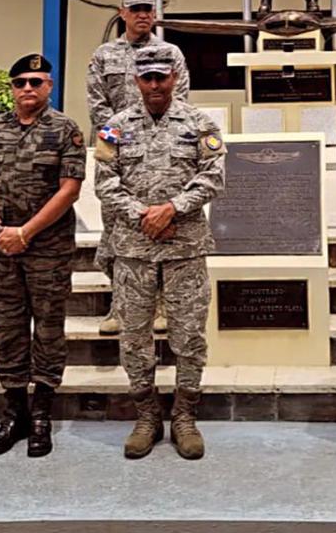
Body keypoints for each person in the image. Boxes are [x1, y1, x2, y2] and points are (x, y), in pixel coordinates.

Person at [97, 44, 226, 460]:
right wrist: (142, 215)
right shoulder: (115, 128)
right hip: (133, 251)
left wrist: (172, 209)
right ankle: (147, 416)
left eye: (161, 77)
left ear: (174, 79)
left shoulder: (199, 122)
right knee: (134, 338)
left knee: (189, 336)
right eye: (147, 77)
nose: (154, 84)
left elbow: (214, 175)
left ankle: (185, 416)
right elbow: (104, 182)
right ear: (136, 80)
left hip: (184, 247)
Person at [0, 54, 85, 457]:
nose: (28, 89)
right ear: (12, 88)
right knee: (9, 329)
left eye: (36, 81)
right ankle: (14, 413)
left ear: (49, 86)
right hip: (2, 250)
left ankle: (41, 416)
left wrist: (26, 232)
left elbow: (69, 189)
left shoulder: (66, 130)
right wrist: (1, 231)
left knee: (48, 329)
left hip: (48, 250)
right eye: (20, 82)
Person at [86, 0, 189, 336]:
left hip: (164, 158)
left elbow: (181, 102)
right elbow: (98, 106)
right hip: (121, 160)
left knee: (161, 230)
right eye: (136, 9)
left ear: (155, 13)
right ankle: (120, 305)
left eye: (148, 8)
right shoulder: (103, 56)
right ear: (122, 12)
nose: (143, 14)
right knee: (118, 233)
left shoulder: (171, 53)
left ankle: (160, 303)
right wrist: (121, 147)